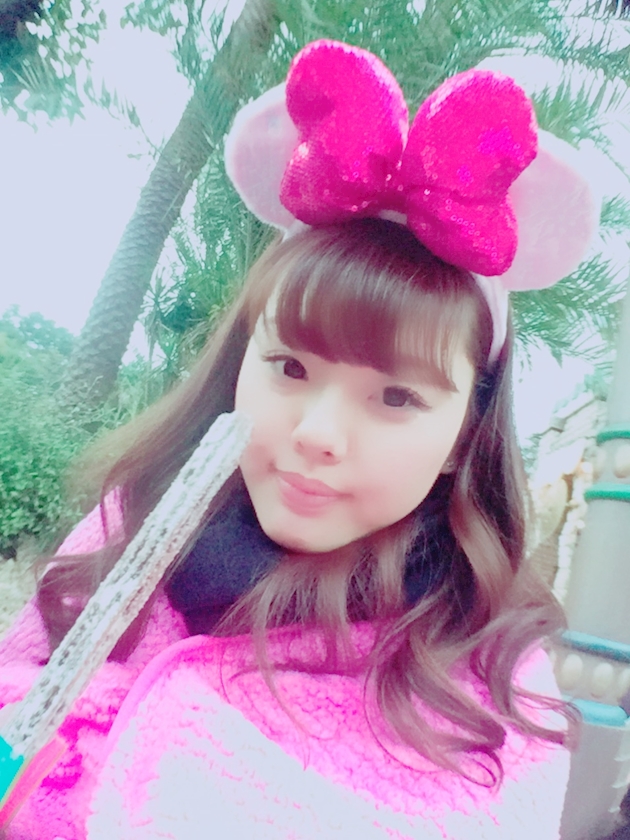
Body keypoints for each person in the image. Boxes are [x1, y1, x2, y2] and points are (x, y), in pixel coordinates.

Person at [0, 39, 599, 840]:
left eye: (396, 396)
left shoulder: (492, 682)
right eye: (288, 367)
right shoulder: (128, 517)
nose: (317, 435)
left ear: (463, 436)